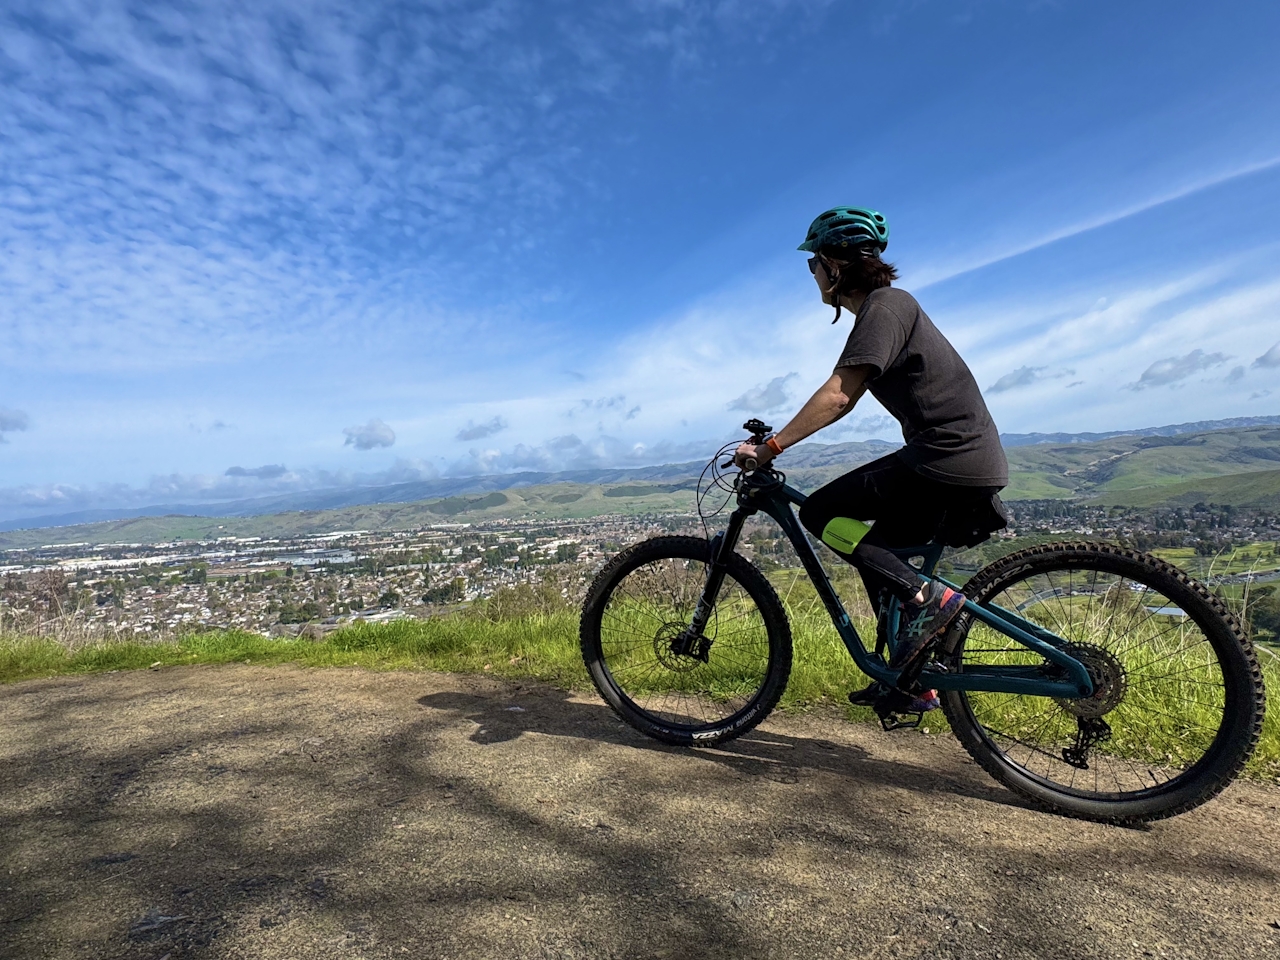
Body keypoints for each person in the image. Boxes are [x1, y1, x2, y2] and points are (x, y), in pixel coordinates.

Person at [734, 206, 1009, 685]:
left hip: (946, 458)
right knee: (880, 554)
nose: (812, 275)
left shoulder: (887, 307)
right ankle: (913, 677)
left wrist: (771, 448)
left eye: (812, 264)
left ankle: (929, 602)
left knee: (819, 512)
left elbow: (840, 395)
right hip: (955, 458)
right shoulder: (890, 309)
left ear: (833, 265)